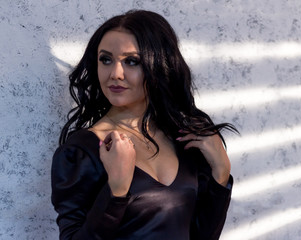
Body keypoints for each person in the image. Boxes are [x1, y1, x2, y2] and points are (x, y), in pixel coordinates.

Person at [51, 9, 237, 240]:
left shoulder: (183, 138)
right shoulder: (81, 152)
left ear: (159, 65)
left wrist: (221, 172)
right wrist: (116, 190)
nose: (115, 74)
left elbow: (202, 236)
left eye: (132, 61)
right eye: (106, 59)